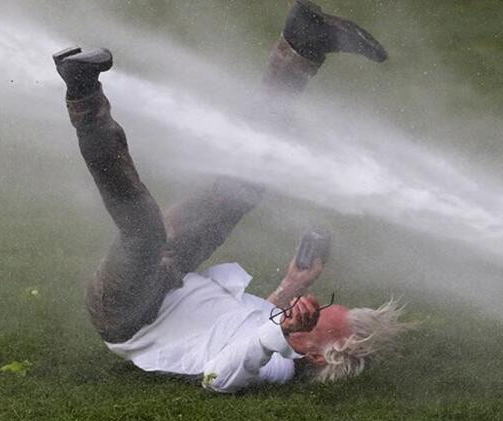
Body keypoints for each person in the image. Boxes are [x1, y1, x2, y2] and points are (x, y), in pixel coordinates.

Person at [54, 0, 410, 393]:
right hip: (173, 274)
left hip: (127, 314)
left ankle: (83, 92)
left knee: (143, 231)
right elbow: (243, 324)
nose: (315, 304)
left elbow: (218, 375)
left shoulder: (276, 366)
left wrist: (283, 330)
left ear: (317, 353)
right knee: (244, 185)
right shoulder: (277, 328)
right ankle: (301, 45)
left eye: (324, 314)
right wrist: (293, 283)